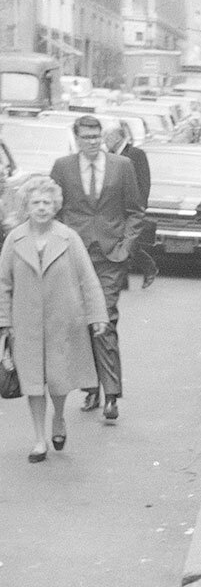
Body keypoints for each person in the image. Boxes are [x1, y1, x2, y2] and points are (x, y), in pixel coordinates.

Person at [0, 176, 108, 461]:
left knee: (58, 380)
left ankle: (58, 417)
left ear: (56, 206)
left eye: (47, 202)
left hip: (63, 321)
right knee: (33, 382)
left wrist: (98, 315)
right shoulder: (15, 239)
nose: (42, 208)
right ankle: (38, 439)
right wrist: (4, 321)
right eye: (36, 202)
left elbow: (88, 279)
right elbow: (3, 282)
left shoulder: (68, 237)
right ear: (27, 206)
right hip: (25, 324)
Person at [49, 114, 144, 424]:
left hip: (109, 257)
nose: (92, 142)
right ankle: (90, 387)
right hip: (73, 256)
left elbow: (135, 212)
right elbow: (53, 210)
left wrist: (125, 247)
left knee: (106, 318)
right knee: (80, 321)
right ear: (76, 139)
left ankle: (112, 393)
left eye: (96, 137)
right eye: (86, 137)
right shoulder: (62, 167)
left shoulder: (122, 166)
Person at [106, 122, 156, 289]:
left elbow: (143, 182)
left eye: (107, 137)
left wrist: (140, 207)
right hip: (115, 206)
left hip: (132, 207)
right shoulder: (109, 156)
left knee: (129, 241)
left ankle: (148, 267)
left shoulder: (136, 154)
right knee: (120, 241)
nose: (105, 141)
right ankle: (124, 278)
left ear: (117, 138)